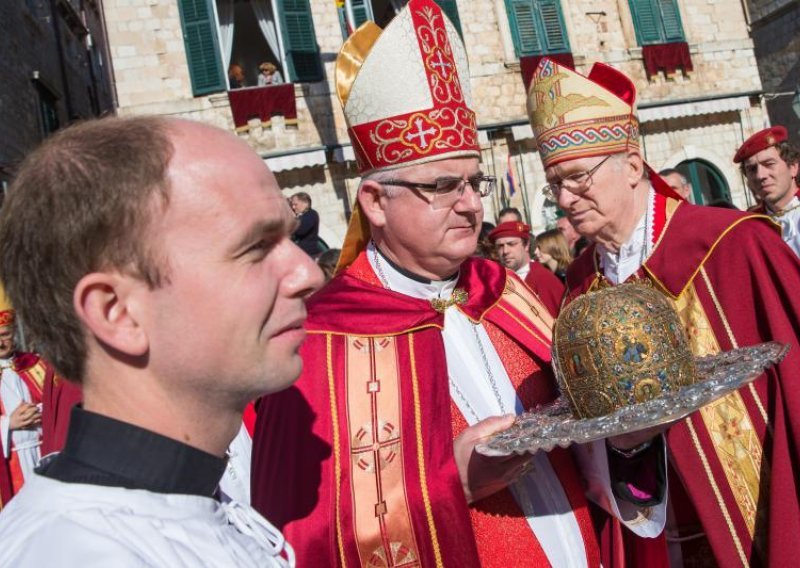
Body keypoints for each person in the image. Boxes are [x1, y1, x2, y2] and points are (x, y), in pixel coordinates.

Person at [252, 3, 666, 566]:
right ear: (375, 201)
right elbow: (300, 537)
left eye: (475, 181)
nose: (473, 204)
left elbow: (584, 449)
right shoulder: (320, 342)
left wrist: (626, 439)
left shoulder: (508, 293)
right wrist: (451, 484)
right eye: (444, 185)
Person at [0, 115, 323, 565]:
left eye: (289, 238)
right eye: (255, 247)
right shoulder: (80, 554)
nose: (308, 274)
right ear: (119, 312)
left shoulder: (184, 503)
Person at [528, 57, 800, 566]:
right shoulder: (581, 285)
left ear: (632, 167)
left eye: (577, 177)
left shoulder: (732, 245)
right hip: (652, 536)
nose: (565, 198)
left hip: (758, 518)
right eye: (554, 184)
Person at [734, 125, 800, 256]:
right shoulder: (749, 225)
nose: (760, 175)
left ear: (792, 167)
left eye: (769, 164)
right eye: (752, 169)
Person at [488, 221, 564, 314]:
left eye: (511, 244)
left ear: (527, 245)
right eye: (500, 246)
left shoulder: (544, 279)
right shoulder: (496, 282)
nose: (505, 251)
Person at [290, 192, 321, 257]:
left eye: (295, 204)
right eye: (292, 205)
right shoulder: (302, 216)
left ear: (305, 203)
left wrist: (293, 219)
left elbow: (300, 231)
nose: (293, 207)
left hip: (310, 255)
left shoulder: (311, 214)